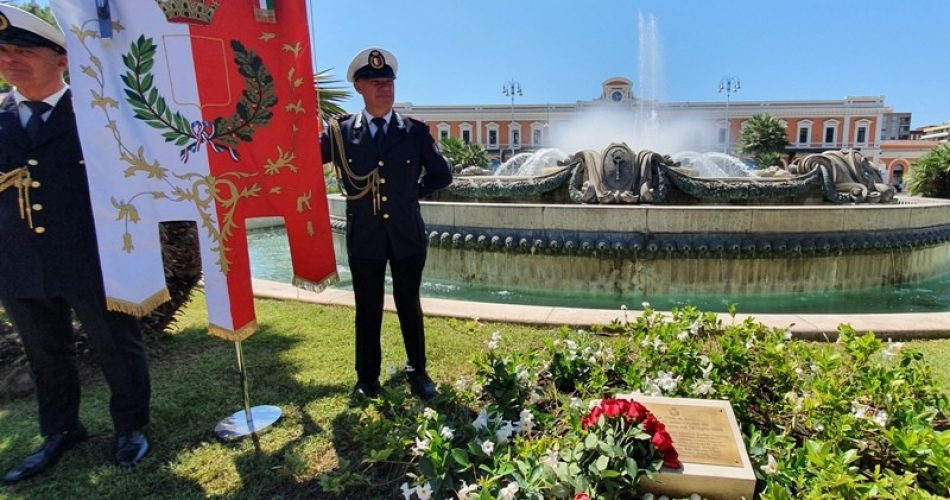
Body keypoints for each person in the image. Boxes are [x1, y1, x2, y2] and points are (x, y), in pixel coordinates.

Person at [0, 5, 151, 482]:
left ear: (62, 59)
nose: (11, 60)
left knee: (115, 346)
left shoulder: (98, 111)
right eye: (3, 51)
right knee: (45, 353)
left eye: (24, 50)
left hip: (93, 255)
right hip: (19, 260)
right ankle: (60, 431)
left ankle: (130, 427)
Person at [321, 47, 452, 401]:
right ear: (359, 87)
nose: (385, 88)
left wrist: (413, 191)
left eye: (389, 82)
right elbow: (302, 159)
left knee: (409, 303)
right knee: (367, 306)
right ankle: (367, 378)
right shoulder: (340, 132)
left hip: (407, 234)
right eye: (376, 82)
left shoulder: (413, 131)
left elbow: (443, 175)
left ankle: (418, 371)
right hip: (365, 235)